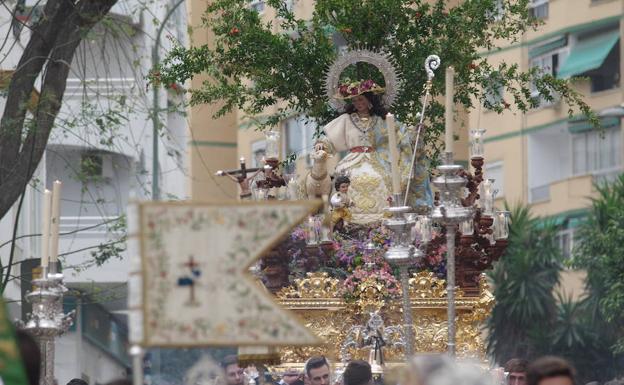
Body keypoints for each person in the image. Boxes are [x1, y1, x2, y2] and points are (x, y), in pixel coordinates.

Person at [313, 79, 432, 224]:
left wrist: (415, 133)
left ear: (369, 100)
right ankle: (344, 218)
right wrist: (322, 145)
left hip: (377, 159)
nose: (358, 103)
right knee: (343, 178)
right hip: (352, 160)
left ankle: (385, 217)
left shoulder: (381, 120)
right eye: (355, 100)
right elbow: (329, 140)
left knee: (388, 177)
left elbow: (401, 134)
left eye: (361, 99)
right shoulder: (346, 119)